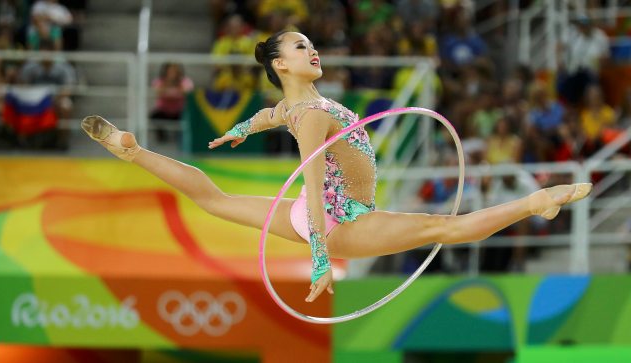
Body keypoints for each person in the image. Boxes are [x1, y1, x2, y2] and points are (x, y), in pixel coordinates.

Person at [81, 31, 592, 303]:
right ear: (281, 64)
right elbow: (307, 177)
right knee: (444, 227)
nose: (313, 49)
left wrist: (242, 129)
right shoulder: (311, 115)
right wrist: (323, 259)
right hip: (338, 218)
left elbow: (268, 114)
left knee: (214, 200)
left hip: (322, 211)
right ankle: (534, 202)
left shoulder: (299, 108)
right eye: (301, 46)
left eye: (311, 43)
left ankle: (134, 151)